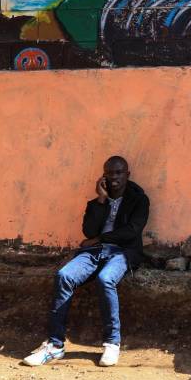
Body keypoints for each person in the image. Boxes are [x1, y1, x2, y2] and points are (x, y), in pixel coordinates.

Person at [23, 156, 150, 367]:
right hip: (95, 251)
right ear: (104, 176)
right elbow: (89, 231)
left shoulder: (139, 200)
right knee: (64, 276)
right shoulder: (96, 203)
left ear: (127, 175)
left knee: (105, 279)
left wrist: (101, 238)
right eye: (110, 173)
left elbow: (131, 232)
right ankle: (55, 346)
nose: (114, 177)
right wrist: (101, 200)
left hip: (124, 252)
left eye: (119, 173)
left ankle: (111, 343)